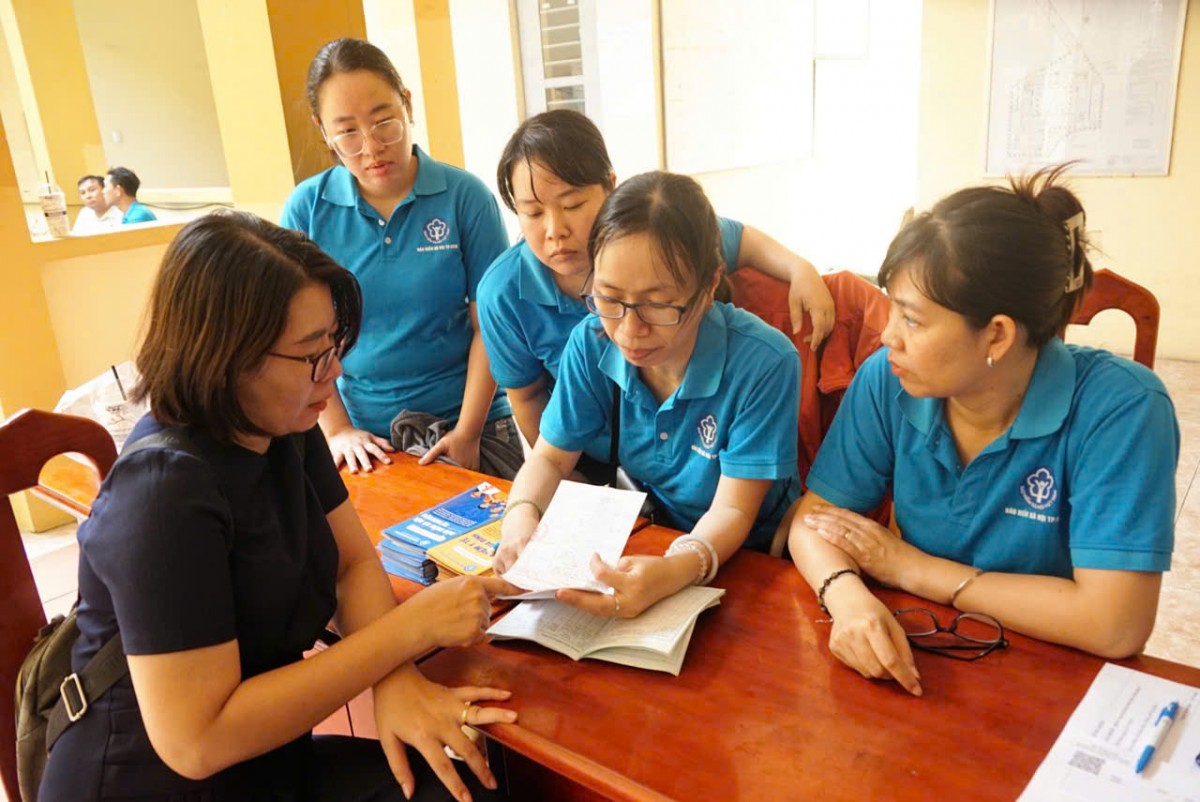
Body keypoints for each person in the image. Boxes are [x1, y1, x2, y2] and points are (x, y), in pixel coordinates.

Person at [39, 212, 516, 802]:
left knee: (475, 786)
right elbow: (198, 741)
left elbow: (352, 565)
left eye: (334, 345)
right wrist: (403, 635)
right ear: (228, 356)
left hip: (267, 759)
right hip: (150, 780)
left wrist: (394, 681)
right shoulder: (163, 494)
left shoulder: (283, 426)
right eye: (313, 354)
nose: (334, 371)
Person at [785, 166, 1178, 696]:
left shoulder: (1122, 409)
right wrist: (847, 596)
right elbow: (812, 523)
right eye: (891, 309)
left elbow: (1114, 624)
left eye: (912, 320)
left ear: (996, 335)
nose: (886, 335)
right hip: (926, 659)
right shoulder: (889, 378)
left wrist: (914, 570)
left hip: (1051, 676)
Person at [493, 171, 802, 619]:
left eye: (658, 305)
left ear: (710, 283)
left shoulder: (765, 362)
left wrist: (675, 569)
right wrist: (520, 516)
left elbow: (734, 510)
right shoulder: (593, 341)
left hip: (755, 558)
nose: (629, 331)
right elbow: (548, 459)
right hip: (652, 540)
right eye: (609, 298)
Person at [478, 110, 833, 474]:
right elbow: (526, 397)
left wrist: (798, 268)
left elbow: (738, 239)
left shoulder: (656, 241)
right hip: (589, 451)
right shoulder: (504, 293)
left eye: (572, 206)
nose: (554, 230)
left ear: (610, 188)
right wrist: (570, 482)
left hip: (689, 457)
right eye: (533, 213)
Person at [282, 38, 514, 475]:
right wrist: (337, 431)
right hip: (365, 437)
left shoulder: (466, 198)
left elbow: (491, 327)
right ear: (322, 130)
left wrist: (467, 433)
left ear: (407, 104)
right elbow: (300, 338)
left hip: (471, 424)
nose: (371, 148)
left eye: (383, 121)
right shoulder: (307, 210)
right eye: (347, 132)